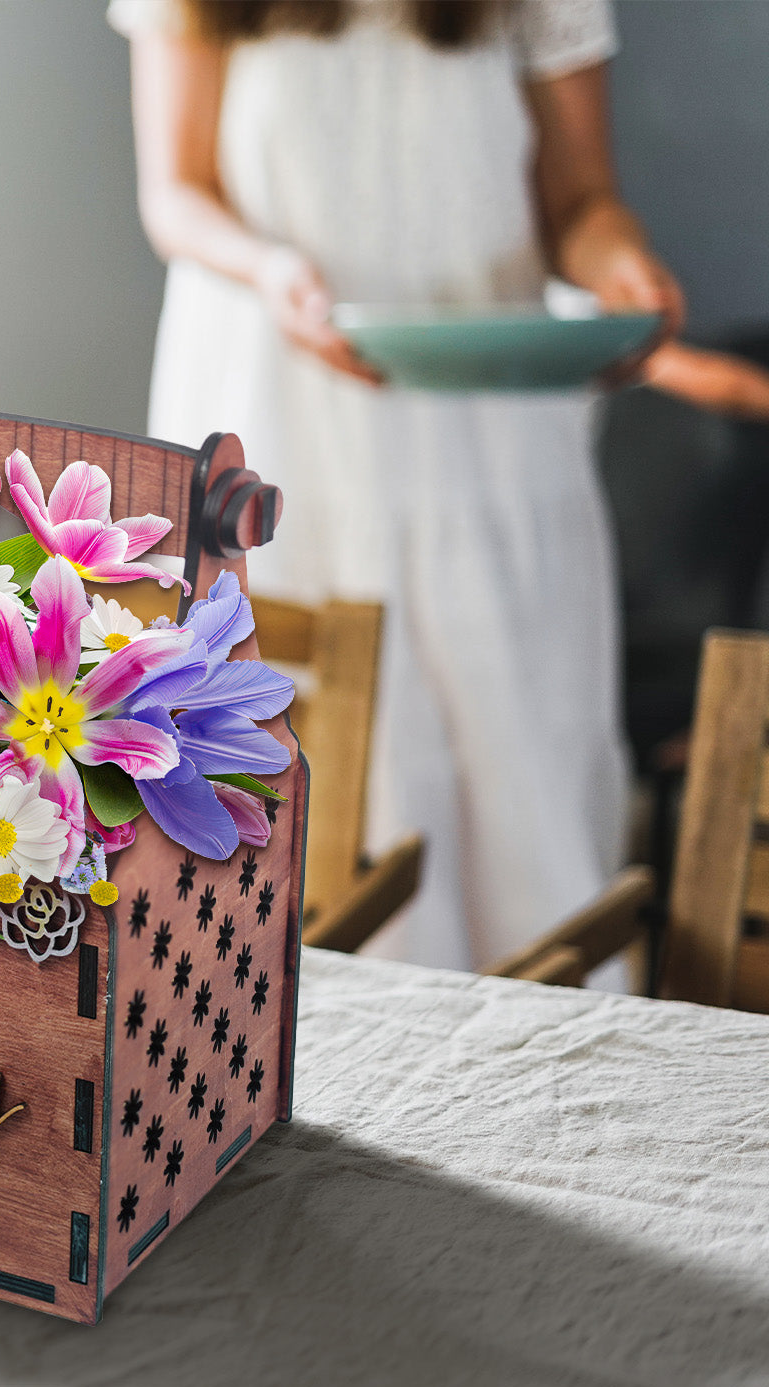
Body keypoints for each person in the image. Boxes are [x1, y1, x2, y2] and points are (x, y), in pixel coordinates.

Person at [109, 0, 769, 973]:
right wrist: (273, 270)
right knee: (289, 756)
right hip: (277, 408)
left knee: (521, 771)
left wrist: (620, 267)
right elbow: (176, 191)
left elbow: (579, 203)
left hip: (491, 440)